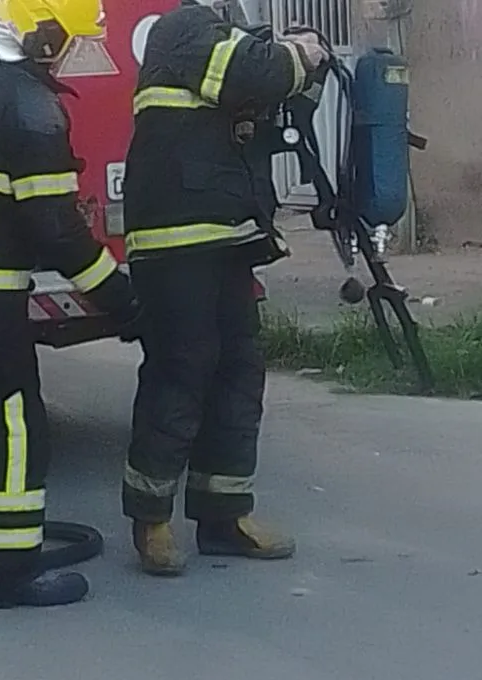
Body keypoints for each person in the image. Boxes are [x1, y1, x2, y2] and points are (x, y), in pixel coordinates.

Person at [0, 0, 145, 609]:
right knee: (14, 426)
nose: (77, 55)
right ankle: (8, 572)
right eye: (74, 42)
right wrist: (122, 300)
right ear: (43, 35)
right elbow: (56, 232)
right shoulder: (30, 108)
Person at [120, 0, 329, 576]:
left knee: (239, 371)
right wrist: (301, 52)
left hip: (229, 239)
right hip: (174, 243)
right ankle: (151, 519)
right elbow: (254, 73)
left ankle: (224, 515)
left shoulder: (229, 37)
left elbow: (277, 103)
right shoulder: (182, 29)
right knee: (181, 371)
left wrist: (303, 71)